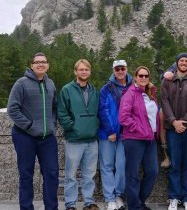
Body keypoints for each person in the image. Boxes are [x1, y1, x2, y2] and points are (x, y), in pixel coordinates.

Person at [7, 52, 59, 210]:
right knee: (26, 175)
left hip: (47, 138)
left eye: (43, 62)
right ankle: (26, 207)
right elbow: (12, 109)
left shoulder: (50, 84)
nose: (40, 64)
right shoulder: (21, 83)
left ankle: (51, 207)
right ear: (31, 65)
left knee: (51, 174)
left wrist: (52, 124)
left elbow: (54, 108)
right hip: (24, 136)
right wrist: (29, 125)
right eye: (37, 62)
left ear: (48, 65)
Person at [161, 53, 187, 210]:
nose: (184, 63)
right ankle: (173, 197)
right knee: (175, 163)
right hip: (172, 129)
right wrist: (173, 121)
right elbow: (164, 101)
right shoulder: (167, 80)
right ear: (177, 63)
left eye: (186, 61)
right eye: (181, 61)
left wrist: (183, 121)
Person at [58, 59, 100, 210]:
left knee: (89, 175)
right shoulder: (67, 90)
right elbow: (62, 113)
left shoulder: (95, 90)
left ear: (90, 72)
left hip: (92, 140)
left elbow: (98, 113)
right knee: (71, 175)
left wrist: (95, 127)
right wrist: (72, 127)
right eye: (81, 70)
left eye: (86, 70)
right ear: (75, 71)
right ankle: (71, 204)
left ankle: (89, 202)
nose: (84, 72)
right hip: (74, 140)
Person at [119, 66, 160, 210]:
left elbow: (154, 116)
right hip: (133, 139)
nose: (143, 78)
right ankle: (134, 206)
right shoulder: (129, 94)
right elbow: (124, 118)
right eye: (140, 75)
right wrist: (141, 129)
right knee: (133, 174)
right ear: (135, 77)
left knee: (153, 171)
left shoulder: (150, 94)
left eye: (146, 76)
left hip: (150, 140)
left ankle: (139, 202)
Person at [98, 60, 133, 210]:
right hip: (108, 134)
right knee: (106, 166)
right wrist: (111, 131)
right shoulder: (106, 88)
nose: (120, 71)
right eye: (117, 69)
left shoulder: (134, 86)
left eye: (122, 68)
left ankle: (119, 195)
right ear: (113, 70)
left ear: (126, 69)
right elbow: (103, 110)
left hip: (126, 134)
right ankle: (109, 198)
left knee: (121, 165)